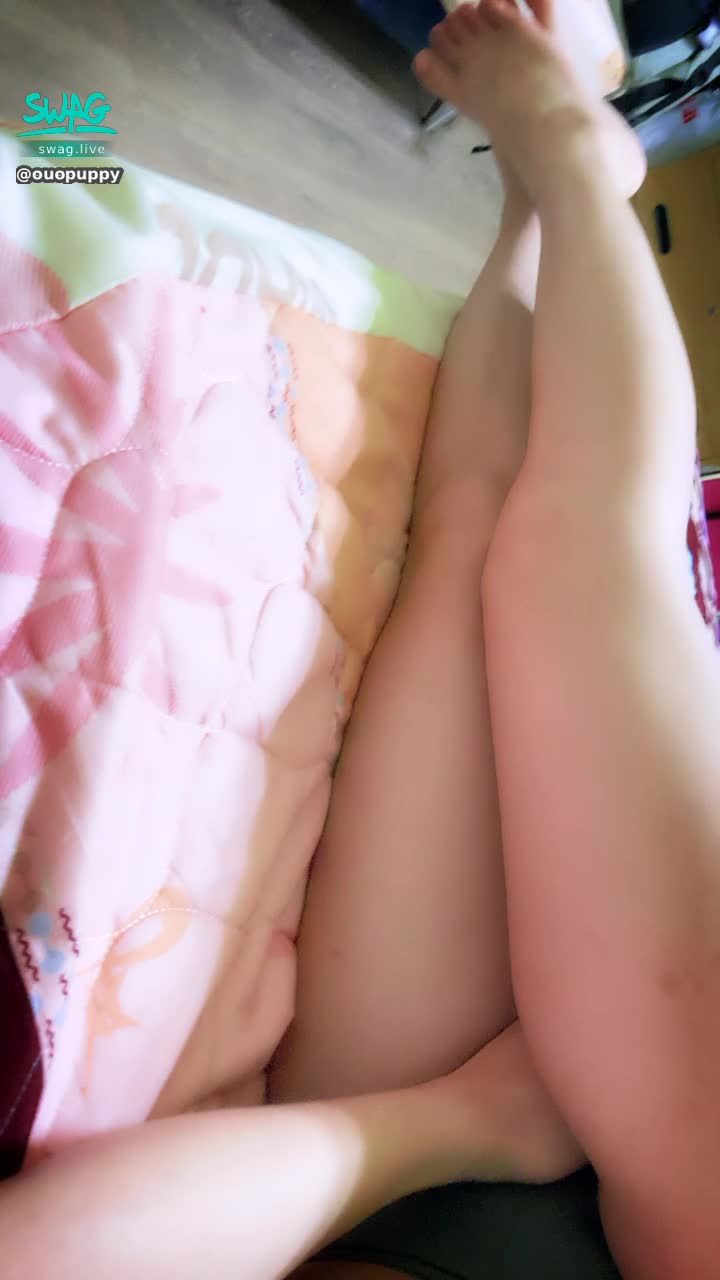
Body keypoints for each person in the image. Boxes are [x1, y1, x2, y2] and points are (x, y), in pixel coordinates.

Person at [1, 4, 718, 1279]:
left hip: (415, 1181)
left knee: (484, 538)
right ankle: (568, 161)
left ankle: (552, 184)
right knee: (564, 548)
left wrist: (465, 1123)